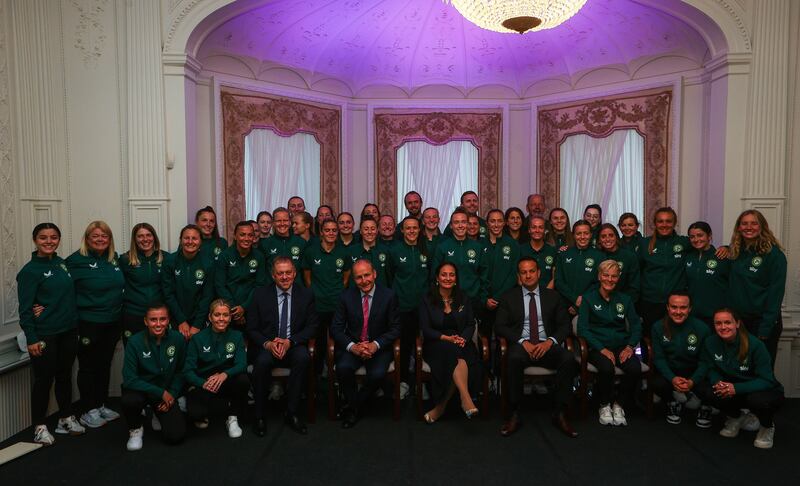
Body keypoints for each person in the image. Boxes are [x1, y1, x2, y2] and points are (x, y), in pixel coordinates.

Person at [495, 257, 579, 438]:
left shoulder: (553, 296)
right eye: (523, 272)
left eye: (532, 271)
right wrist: (522, 342)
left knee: (568, 358)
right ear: (519, 276)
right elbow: (500, 326)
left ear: (539, 273)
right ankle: (515, 412)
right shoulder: (509, 297)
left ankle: (560, 412)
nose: (528, 275)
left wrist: (549, 342)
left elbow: (565, 326)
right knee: (513, 358)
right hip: (522, 344)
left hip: (546, 344)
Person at [17, 223, 85, 445]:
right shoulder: (29, 271)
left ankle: (65, 418)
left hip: (68, 331)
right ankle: (39, 426)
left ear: (59, 240)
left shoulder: (62, 264)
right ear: (35, 240)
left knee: (65, 376)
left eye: (53, 237)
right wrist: (32, 338)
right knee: (43, 381)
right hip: (45, 335)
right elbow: (26, 309)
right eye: (43, 237)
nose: (49, 241)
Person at [247, 257, 319, 436]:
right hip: (268, 345)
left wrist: (290, 341)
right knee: (261, 363)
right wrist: (269, 343)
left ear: (294, 274)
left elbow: (312, 326)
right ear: (273, 275)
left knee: (303, 357)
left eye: (288, 273)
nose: (285, 277)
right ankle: (260, 416)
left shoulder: (306, 294)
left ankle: (292, 412)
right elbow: (252, 328)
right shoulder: (259, 295)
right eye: (280, 273)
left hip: (293, 343)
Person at [696, 309, 784, 449]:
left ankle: (767, 426)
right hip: (732, 387)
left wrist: (736, 388)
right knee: (705, 389)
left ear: (737, 323)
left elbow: (767, 380)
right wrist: (718, 382)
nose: (723, 327)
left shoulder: (755, 345)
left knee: (758, 400)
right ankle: (736, 417)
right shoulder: (710, 342)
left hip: (760, 390)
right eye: (718, 323)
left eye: (727, 322)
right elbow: (709, 368)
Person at [66, 220, 125, 429]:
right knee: (88, 367)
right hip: (88, 323)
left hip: (112, 322)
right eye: (96, 236)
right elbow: (57, 286)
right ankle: (87, 410)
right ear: (87, 239)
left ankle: (100, 404)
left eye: (105, 236)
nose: (100, 240)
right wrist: (41, 306)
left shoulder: (114, 260)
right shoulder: (74, 261)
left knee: (104, 364)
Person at [331, 260, 401, 428]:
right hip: (354, 346)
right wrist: (353, 347)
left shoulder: (389, 296)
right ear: (354, 280)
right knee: (343, 368)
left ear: (375, 274)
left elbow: (396, 328)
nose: (364, 280)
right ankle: (357, 406)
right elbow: (336, 328)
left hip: (379, 347)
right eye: (359, 277)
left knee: (377, 374)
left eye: (367, 275)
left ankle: (353, 407)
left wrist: (375, 344)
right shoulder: (345, 297)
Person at [577, 259, 643, 426]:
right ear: (599, 276)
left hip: (621, 346)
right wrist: (602, 349)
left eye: (614, 276)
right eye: (606, 275)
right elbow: (583, 329)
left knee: (634, 367)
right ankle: (604, 404)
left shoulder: (625, 299)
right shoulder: (588, 299)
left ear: (618, 278)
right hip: (596, 347)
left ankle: (619, 404)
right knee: (606, 367)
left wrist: (630, 346)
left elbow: (636, 325)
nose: (610, 279)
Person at [419, 263, 483, 423]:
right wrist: (446, 338)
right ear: (437, 278)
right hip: (436, 343)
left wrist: (464, 338)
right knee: (453, 354)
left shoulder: (464, 297)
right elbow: (425, 329)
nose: (448, 278)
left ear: (456, 279)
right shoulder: (427, 299)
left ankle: (440, 408)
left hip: (461, 341)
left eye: (452, 275)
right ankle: (466, 398)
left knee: (458, 354)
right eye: (444, 274)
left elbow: (470, 323)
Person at [121, 304, 186, 451]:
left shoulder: (177, 339)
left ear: (168, 320)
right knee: (129, 400)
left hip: (165, 391)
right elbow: (129, 379)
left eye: (162, 319)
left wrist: (172, 395)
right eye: (153, 319)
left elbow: (181, 372)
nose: (158, 324)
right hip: (142, 390)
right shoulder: (134, 342)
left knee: (175, 436)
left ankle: (158, 413)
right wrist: (161, 393)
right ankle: (135, 429)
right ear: (145, 321)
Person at [727, 210, 786, 366]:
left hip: (762, 323)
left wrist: (765, 328)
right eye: (744, 223)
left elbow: (776, 294)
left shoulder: (774, 255)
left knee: (761, 371)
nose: (749, 227)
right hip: (740, 323)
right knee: (740, 369)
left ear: (762, 227)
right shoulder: (735, 252)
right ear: (738, 227)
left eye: (754, 223)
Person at [184, 299, 250, 438]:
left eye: (225, 315)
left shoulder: (237, 336)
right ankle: (200, 408)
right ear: (210, 317)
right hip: (205, 382)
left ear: (230, 317)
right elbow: (187, 371)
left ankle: (232, 417)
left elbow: (242, 364)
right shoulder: (198, 338)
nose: (221, 319)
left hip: (226, 380)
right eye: (217, 315)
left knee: (243, 379)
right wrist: (202, 383)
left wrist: (224, 374)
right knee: (196, 414)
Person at [650, 292, 711, 427]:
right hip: (671, 372)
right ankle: (672, 401)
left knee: (710, 388)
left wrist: (692, 381)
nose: (678, 312)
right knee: (656, 383)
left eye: (683, 308)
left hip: (693, 373)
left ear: (689, 308)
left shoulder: (702, 328)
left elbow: (705, 361)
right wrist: (672, 378)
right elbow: (659, 358)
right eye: (674, 307)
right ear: (667, 307)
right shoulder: (658, 327)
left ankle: (704, 406)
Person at [302, 219, 352, 372]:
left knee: (338, 341)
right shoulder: (311, 251)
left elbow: (346, 278)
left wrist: (336, 292)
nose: (331, 233)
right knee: (318, 343)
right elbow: (307, 277)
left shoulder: (343, 252)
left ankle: (336, 375)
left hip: (337, 305)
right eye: (327, 230)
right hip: (317, 305)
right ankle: (318, 377)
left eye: (334, 230)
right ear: (321, 232)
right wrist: (317, 292)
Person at [387, 216, 429, 394]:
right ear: (402, 230)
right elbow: (389, 276)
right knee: (404, 346)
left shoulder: (426, 248)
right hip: (403, 307)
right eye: (408, 228)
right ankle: (403, 381)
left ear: (419, 230)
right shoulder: (394, 250)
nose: (412, 231)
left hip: (424, 306)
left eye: (415, 228)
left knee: (427, 345)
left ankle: (424, 383)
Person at [431, 207, 489, 317]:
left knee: (471, 332)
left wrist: (482, 298)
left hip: (473, 300)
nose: (460, 225)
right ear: (451, 226)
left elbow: (484, 276)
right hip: (448, 302)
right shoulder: (442, 247)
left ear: (468, 224)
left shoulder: (477, 248)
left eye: (463, 222)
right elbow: (435, 275)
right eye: (456, 222)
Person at [162, 224, 215, 339]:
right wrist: (181, 321)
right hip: (175, 318)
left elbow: (207, 296)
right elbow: (168, 294)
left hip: (200, 319)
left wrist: (197, 324)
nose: (190, 241)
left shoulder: (208, 263)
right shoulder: (169, 261)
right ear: (181, 240)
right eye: (186, 238)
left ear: (200, 241)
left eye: (194, 238)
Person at [120, 223, 167, 343]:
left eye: (148, 235)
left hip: (158, 317)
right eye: (140, 236)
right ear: (134, 239)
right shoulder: (125, 260)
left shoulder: (166, 258)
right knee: (134, 353)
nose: (145, 239)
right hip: (133, 315)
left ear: (154, 237)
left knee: (158, 353)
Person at [214, 221, 267, 327]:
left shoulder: (259, 256)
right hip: (227, 310)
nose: (246, 239)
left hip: (252, 307)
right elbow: (220, 286)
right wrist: (234, 309)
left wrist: (244, 307)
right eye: (242, 235)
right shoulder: (224, 256)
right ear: (235, 236)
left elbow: (259, 285)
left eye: (250, 235)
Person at [482, 209, 520, 335]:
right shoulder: (479, 245)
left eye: (499, 221)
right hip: (484, 301)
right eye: (492, 221)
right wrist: (485, 298)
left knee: (504, 337)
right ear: (487, 223)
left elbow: (514, 274)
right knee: (484, 336)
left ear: (504, 223)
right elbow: (477, 274)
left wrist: (497, 297)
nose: (496, 224)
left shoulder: (513, 245)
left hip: (505, 300)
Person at [554, 220, 603, 316]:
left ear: (591, 234)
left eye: (586, 233)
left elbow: (599, 283)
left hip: (589, 306)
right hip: (564, 306)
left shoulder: (599, 256)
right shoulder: (564, 254)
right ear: (573, 235)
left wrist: (582, 300)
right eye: (578, 234)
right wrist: (574, 299)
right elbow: (558, 281)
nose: (582, 237)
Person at [685, 221, 730, 327]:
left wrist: (728, 248)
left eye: (700, 235)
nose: (696, 239)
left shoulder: (721, 257)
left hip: (715, 315)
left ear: (709, 236)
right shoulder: (688, 257)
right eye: (692, 237)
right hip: (692, 315)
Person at [597, 223, 640, 302]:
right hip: (600, 302)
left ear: (616, 237)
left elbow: (634, 286)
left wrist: (621, 302)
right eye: (603, 236)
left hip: (623, 302)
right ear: (599, 240)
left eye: (611, 235)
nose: (607, 239)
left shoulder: (629, 256)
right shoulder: (597, 256)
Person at [258, 207, 307, 276]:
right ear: (273, 223)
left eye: (285, 220)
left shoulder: (301, 242)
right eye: (278, 221)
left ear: (290, 222)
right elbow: (261, 271)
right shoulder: (265, 244)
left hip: (296, 285)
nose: (282, 223)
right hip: (272, 285)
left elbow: (305, 270)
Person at [347, 216, 389, 288]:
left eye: (373, 229)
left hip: (380, 295)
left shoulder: (385, 251)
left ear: (377, 230)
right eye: (366, 229)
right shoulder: (351, 251)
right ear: (360, 231)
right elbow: (347, 277)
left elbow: (389, 276)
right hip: (356, 295)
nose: (369, 232)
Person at [519, 216, 557, 288]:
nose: (537, 230)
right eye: (534, 227)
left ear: (545, 230)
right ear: (529, 230)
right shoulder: (520, 249)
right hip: (525, 294)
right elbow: (517, 275)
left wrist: (545, 293)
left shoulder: (552, 251)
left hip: (547, 293)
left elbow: (555, 277)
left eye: (540, 227)